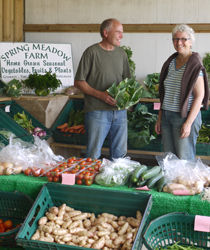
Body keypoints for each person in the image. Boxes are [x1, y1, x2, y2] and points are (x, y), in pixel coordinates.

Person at [74, 18, 131, 159]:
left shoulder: (122, 54)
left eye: (122, 33)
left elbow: (128, 82)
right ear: (105, 33)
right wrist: (101, 95)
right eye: (118, 32)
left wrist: (127, 101)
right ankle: (91, 179)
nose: (121, 36)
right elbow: (79, 82)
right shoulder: (91, 52)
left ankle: (115, 180)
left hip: (119, 112)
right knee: (93, 154)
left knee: (120, 155)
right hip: (97, 111)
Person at [155, 24, 209, 161]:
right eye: (175, 39)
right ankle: (172, 183)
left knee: (184, 160)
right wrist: (160, 118)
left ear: (191, 42)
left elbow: (199, 96)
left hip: (184, 117)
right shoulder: (171, 62)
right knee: (169, 159)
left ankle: (185, 183)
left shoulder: (194, 64)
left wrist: (188, 123)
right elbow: (164, 93)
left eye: (184, 39)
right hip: (167, 116)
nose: (179, 43)